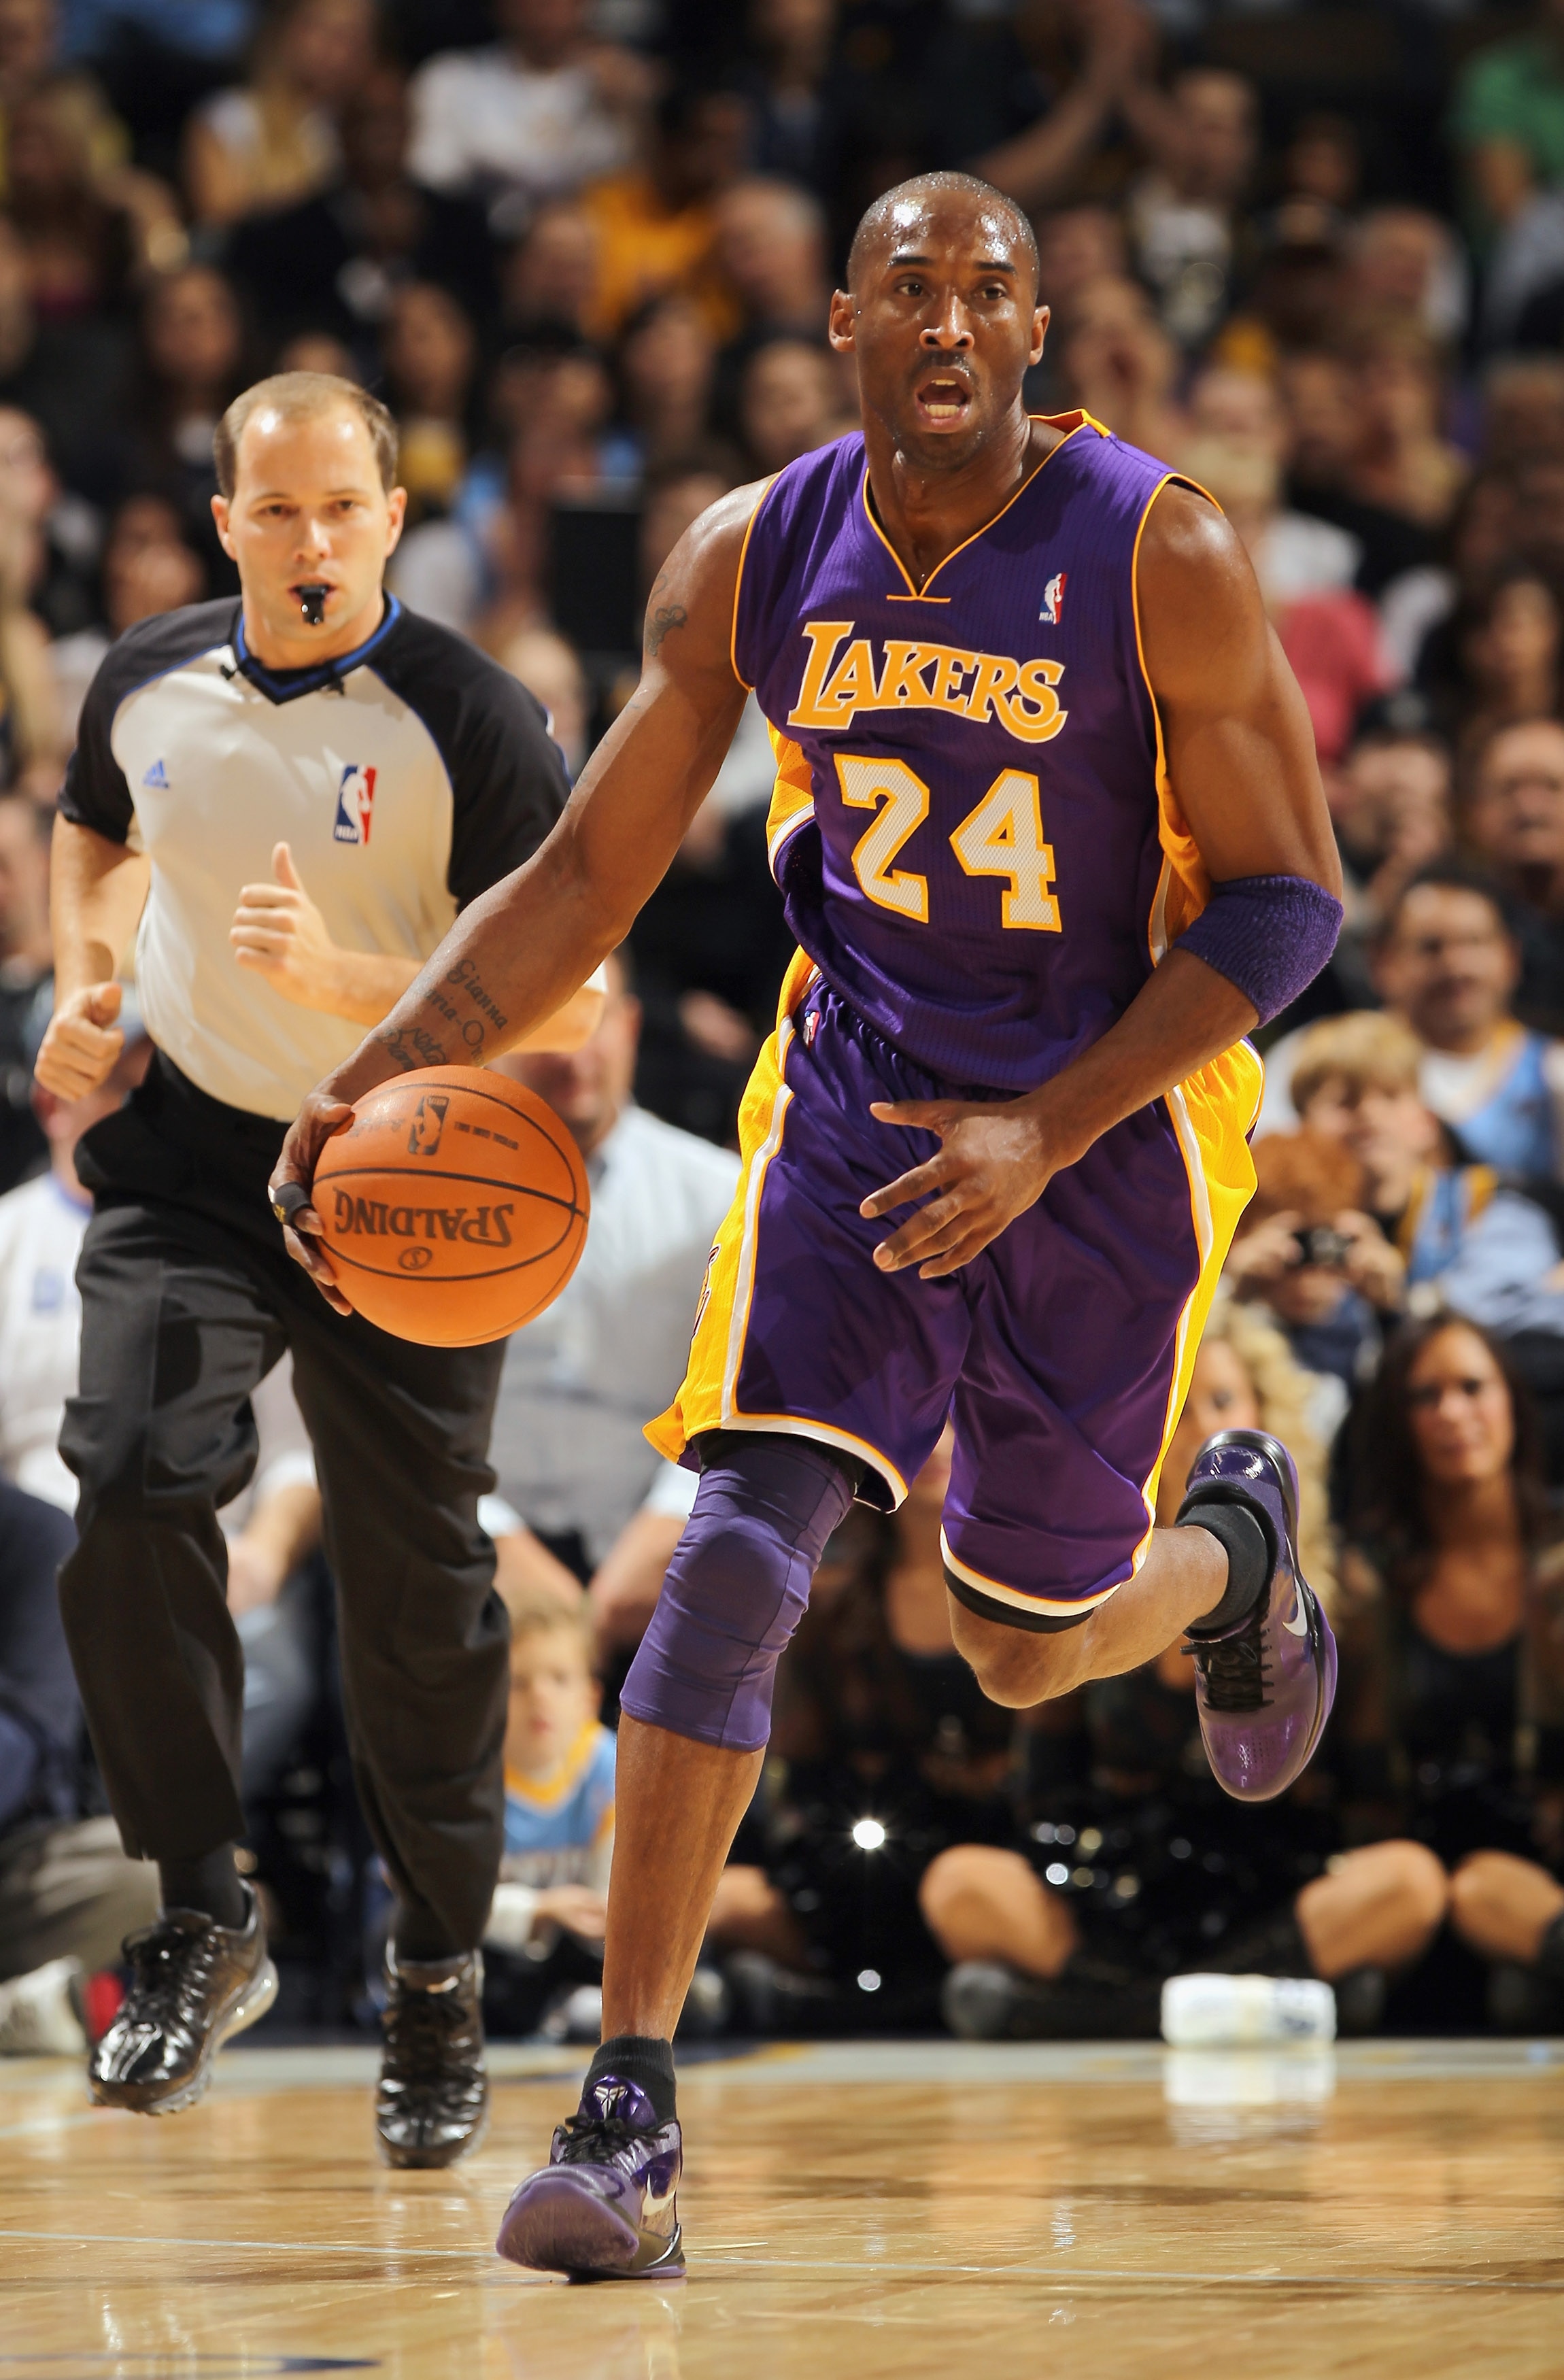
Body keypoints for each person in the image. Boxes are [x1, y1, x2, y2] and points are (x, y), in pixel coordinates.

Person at [273, 171, 1344, 2280]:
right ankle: (629, 2097)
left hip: (1102, 1126)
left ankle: (1231, 1553)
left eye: (989, 291)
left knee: (1019, 1644)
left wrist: (1045, 1128)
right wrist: (373, 1069)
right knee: (742, 1534)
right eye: (908, 287)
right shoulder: (755, 552)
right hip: (851, 1106)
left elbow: (1290, 902)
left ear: (1039, 333)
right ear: (842, 324)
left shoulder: (1162, 549)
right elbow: (582, 878)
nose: (947, 321)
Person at [33, 369, 602, 2164]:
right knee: (123, 1480)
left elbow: (573, 990)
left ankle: (438, 1966)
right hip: (197, 1157)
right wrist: (90, 974)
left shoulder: (472, 712)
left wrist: (359, 990)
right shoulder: (145, 674)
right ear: (225, 522)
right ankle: (205, 1906)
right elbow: (95, 832)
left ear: (390, 516)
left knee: (416, 1586)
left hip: (400, 1164)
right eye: (272, 510)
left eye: (340, 507)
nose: (308, 540)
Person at [928, 1302, 1446, 2041]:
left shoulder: (1345, 1599)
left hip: (1276, 1892)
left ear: (1266, 1418)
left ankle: (1103, 2014)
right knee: (961, 1881)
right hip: (1118, 1894)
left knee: (1410, 1881)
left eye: (1224, 1400)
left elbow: (1372, 1807)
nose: (1202, 1426)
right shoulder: (1089, 1581)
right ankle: (1220, 2010)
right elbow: (1040, 1790)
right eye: (1180, 1402)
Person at [707, 1427, 1016, 2033]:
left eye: (957, 1418)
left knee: (973, 1894)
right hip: (858, 1870)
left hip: (992, 1851)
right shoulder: (830, 1606)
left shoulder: (1039, 1594)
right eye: (923, 1417)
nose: (934, 1442)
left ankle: (814, 2000)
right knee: (726, 1900)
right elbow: (803, 1782)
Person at [478, 951, 739, 1653]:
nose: (572, 1052)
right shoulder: (433, 1202)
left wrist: (665, 1535)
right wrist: (489, 1535)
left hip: (662, 1556)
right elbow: (399, 1403)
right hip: (473, 1549)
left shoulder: (720, 1196)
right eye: (545, 1026)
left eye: (589, 1021)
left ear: (628, 1026)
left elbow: (737, 1399)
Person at [1342, 1316, 1564, 2029]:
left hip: (1540, 1875)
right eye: (1424, 1395)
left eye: (1472, 1386)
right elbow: (1360, 1788)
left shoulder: (1556, 1559)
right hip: (1416, 1883)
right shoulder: (1368, 1576)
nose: (1452, 1413)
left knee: (1493, 1897)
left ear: (1510, 1402)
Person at [1372, 864, 1564, 1182]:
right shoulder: (1322, 1063)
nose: (1456, 966)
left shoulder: (1554, 1073)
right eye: (1431, 947)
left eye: (1474, 943)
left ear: (1511, 957)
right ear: (1384, 962)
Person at [479, 1592, 615, 2039]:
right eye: (518, 1682)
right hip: (501, 1944)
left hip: (582, 1942)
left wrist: (594, 1912)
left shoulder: (611, 1769)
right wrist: (538, 1910)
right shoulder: (467, 1781)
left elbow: (611, 1893)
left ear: (590, 1697)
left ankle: (598, 2009)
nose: (539, 1696)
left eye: (559, 1679)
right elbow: (442, 1900)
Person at [1461, 716, 1564, 1036]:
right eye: (1510, 789)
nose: (1530, 807)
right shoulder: (1449, 917)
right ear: (1475, 812)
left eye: (1552, 786)